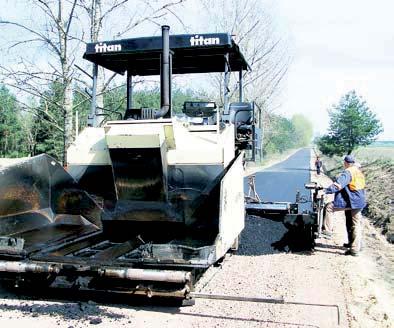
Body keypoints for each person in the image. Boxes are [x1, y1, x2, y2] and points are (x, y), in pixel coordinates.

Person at [322, 155, 366, 256]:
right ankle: (355, 248)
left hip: (351, 200)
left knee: (329, 207)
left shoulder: (348, 172)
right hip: (359, 201)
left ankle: (327, 231)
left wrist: (326, 190)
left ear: (345, 163)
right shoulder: (359, 172)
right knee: (355, 224)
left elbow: (338, 185)